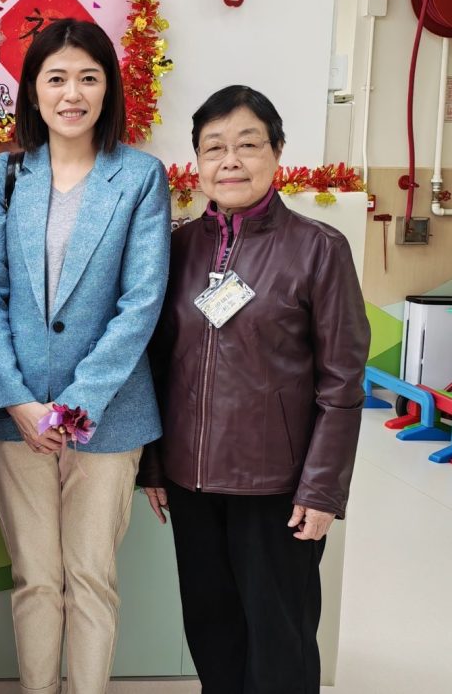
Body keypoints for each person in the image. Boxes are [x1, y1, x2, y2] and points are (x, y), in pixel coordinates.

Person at [0, 18, 170, 694]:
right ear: (33, 90)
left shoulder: (139, 176)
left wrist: (76, 405)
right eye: (56, 78)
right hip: (18, 417)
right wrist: (17, 399)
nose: (72, 93)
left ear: (109, 89)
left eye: (88, 78)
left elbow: (141, 301)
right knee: (35, 578)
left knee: (89, 577)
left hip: (107, 416)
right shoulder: (6, 174)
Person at [140, 86, 370, 694]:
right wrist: (155, 464)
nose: (231, 161)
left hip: (278, 487)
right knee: (212, 630)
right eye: (214, 147)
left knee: (279, 638)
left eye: (248, 145)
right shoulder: (177, 247)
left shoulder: (319, 248)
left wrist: (322, 490)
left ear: (277, 152)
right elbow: (158, 363)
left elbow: (343, 381)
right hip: (191, 482)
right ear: (197, 160)